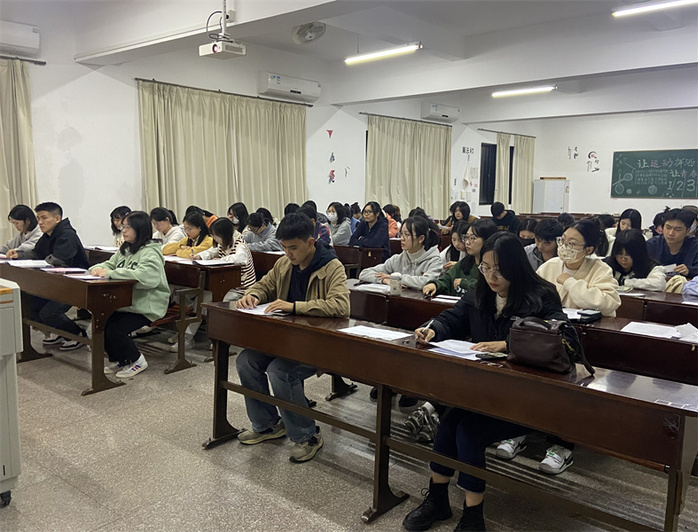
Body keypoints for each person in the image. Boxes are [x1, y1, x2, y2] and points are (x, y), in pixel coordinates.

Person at [402, 232, 579, 532]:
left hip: (526, 396)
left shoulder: (541, 295)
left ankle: (473, 516)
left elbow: (565, 338)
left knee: (469, 432)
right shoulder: (480, 291)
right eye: (485, 268)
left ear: (516, 267)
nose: (491, 277)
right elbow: (453, 318)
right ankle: (438, 498)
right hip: (484, 391)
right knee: (448, 424)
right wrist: (434, 329)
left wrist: (508, 344)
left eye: (499, 270)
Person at [235, 213, 350, 463]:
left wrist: (295, 306)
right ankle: (267, 424)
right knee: (246, 361)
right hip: (285, 341)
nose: (288, 253)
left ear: (311, 242)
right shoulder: (284, 264)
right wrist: (253, 295)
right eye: (284, 247)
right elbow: (265, 285)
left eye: (293, 248)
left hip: (318, 343)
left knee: (280, 371)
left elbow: (341, 305)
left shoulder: (332, 266)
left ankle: (307, 435)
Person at [89, 211, 170, 378]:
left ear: (140, 229)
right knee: (103, 323)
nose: (123, 231)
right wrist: (97, 269)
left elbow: (147, 278)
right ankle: (120, 360)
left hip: (147, 304)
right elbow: (109, 264)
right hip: (127, 303)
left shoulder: (150, 252)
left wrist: (111, 273)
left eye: (128, 227)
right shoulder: (125, 249)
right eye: (123, 227)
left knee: (116, 330)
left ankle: (137, 360)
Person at [12, 202, 90, 350]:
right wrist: (19, 255)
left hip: (74, 285)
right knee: (31, 306)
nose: (40, 222)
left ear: (57, 218)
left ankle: (77, 334)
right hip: (54, 283)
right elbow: (36, 253)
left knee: (49, 313)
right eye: (38, 218)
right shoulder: (48, 235)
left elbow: (59, 260)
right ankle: (60, 333)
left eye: (44, 218)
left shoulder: (67, 235)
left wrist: (40, 262)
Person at [537, 218, 620, 316]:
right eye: (562, 240)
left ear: (588, 250)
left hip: (588, 324)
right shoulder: (549, 266)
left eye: (571, 243)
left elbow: (608, 303)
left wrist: (570, 283)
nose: (564, 246)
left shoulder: (600, 270)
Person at [359, 216, 443, 289]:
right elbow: (364, 274)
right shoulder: (398, 259)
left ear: (421, 238)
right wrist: (385, 280)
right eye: (401, 234)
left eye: (407, 235)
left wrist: (396, 278)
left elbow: (426, 282)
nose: (402, 238)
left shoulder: (434, 260)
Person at [423, 219, 498, 298]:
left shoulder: (494, 267)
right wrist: (435, 285)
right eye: (466, 237)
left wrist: (465, 284)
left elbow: (486, 288)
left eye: (472, 238)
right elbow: (448, 278)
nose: (467, 242)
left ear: (487, 240)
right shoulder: (465, 262)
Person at [646, 208, 698, 279]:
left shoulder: (695, 246)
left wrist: (690, 271)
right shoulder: (652, 245)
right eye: (668, 227)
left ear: (687, 231)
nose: (671, 233)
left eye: (677, 229)